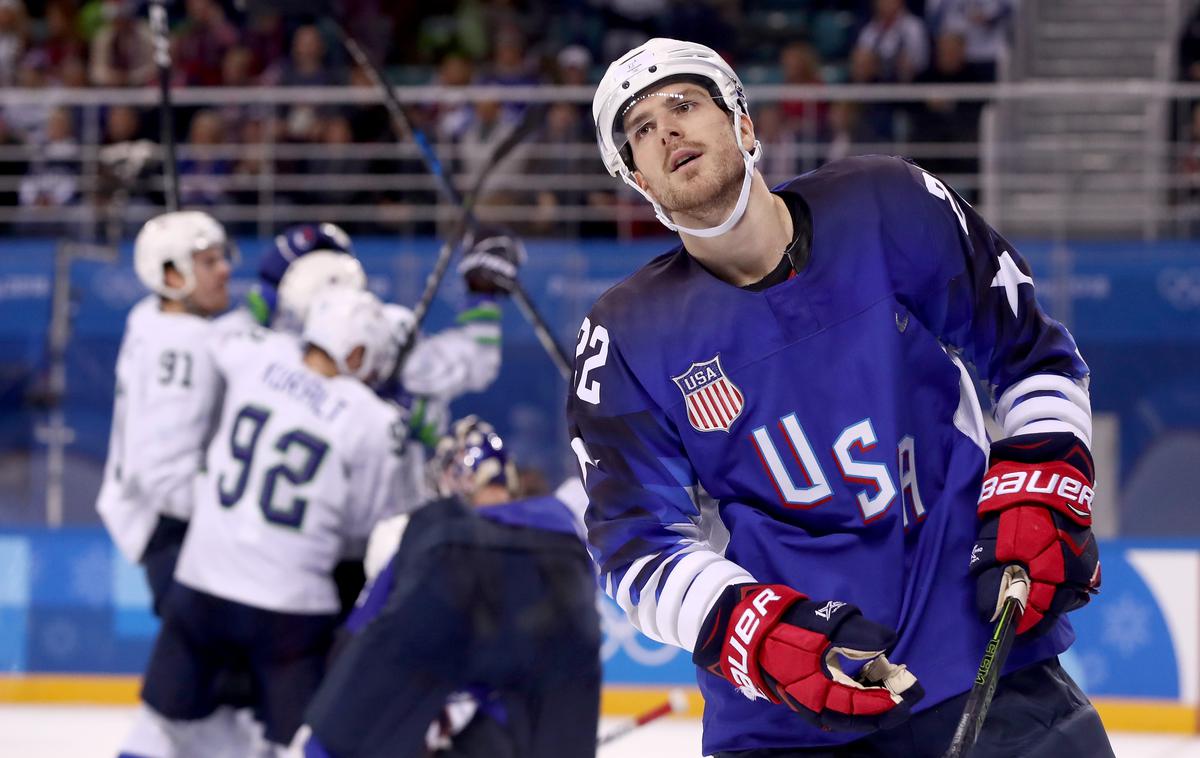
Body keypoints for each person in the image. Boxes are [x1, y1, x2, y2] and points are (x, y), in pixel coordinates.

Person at [570, 38, 1111, 757]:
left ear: (744, 124)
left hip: (980, 659)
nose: (666, 130)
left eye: (684, 104)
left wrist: (1045, 477)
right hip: (791, 710)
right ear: (638, 182)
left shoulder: (888, 205)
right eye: (640, 129)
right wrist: (749, 628)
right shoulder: (623, 336)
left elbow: (1029, 355)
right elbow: (637, 545)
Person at [140, 287, 410, 755]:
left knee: (161, 724)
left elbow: (221, 338)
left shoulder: (256, 356)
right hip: (288, 610)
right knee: (299, 742)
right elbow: (365, 529)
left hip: (200, 585)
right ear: (357, 351)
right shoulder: (373, 420)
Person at [301, 417, 601, 758]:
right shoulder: (560, 520)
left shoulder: (424, 528)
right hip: (562, 599)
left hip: (448, 606)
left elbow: (363, 637)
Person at [95, 210, 239, 758]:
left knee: (210, 692)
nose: (224, 270)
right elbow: (164, 475)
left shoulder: (152, 319)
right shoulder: (181, 349)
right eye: (207, 262)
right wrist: (236, 510)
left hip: (167, 527)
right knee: (202, 691)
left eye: (222, 257)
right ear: (172, 276)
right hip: (175, 530)